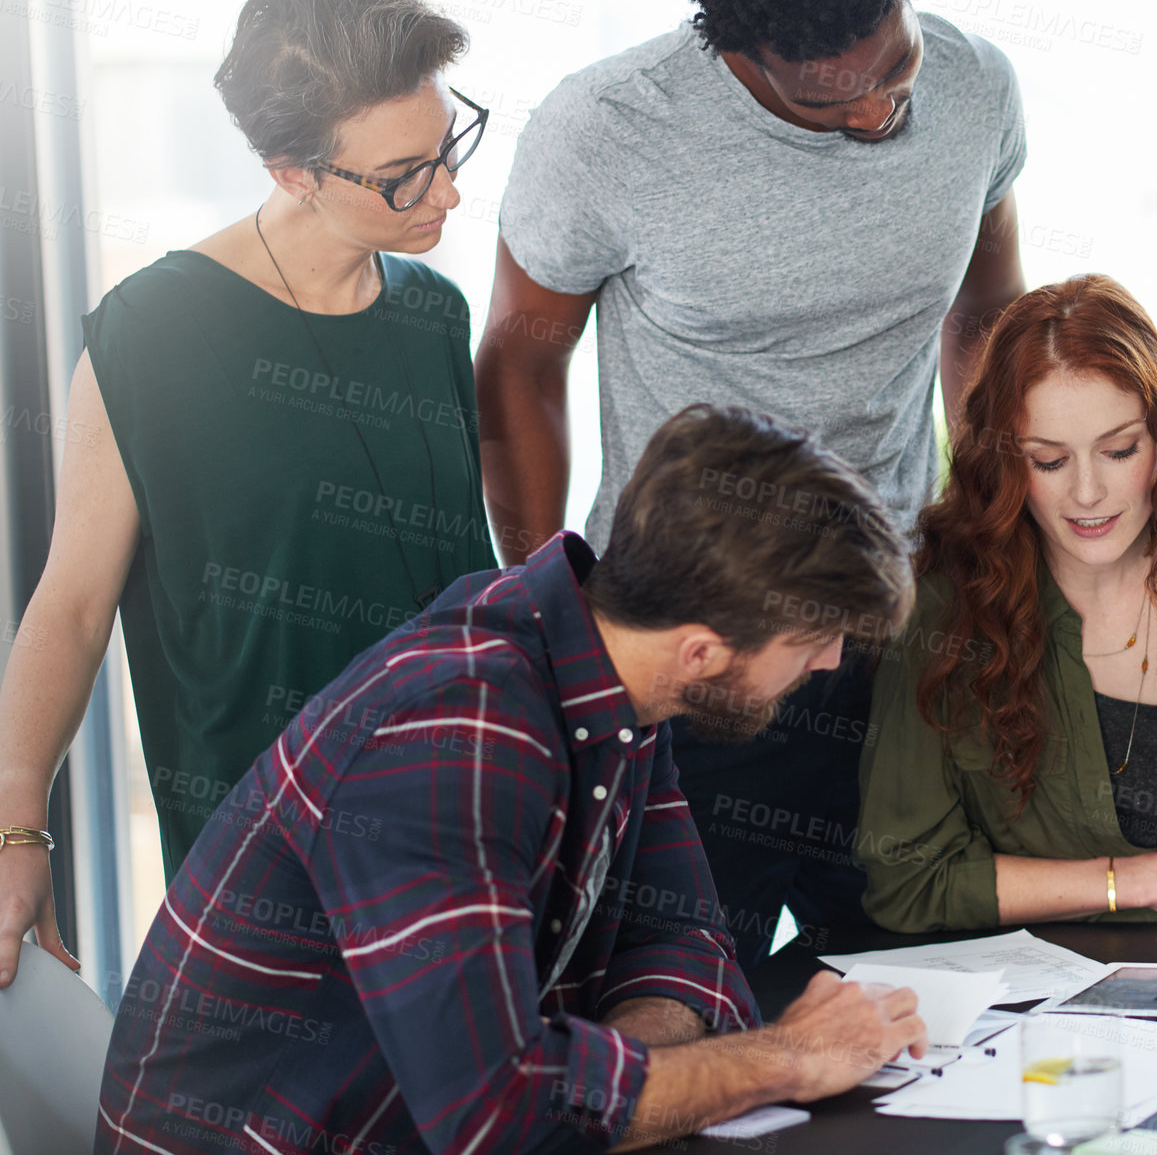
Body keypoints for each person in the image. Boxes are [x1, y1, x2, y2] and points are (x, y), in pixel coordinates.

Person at [475, 0, 1028, 966]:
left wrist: (988, 530)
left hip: (896, 627)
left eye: (894, 75)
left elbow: (985, 315)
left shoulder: (977, 90)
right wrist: (552, 614)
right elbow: (520, 366)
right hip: (701, 646)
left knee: (913, 983)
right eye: (829, 106)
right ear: (737, 55)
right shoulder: (605, 129)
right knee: (682, 995)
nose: (877, 117)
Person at [96, 406, 925, 1155]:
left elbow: (686, 942)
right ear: (702, 650)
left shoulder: (618, 675)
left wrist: (614, 1084)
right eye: (812, 639)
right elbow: (495, 1118)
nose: (828, 663)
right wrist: (783, 1058)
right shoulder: (452, 734)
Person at [0, 0, 499, 990]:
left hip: (459, 840)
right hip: (262, 868)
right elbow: (73, 604)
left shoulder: (435, 311)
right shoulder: (156, 331)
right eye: (406, 174)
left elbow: (466, 584)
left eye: (448, 146)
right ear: (292, 171)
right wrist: (18, 833)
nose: (448, 191)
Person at [858, 275, 1157, 961]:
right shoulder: (945, 597)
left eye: (1118, 451)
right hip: (1047, 1020)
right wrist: (1141, 881)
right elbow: (908, 879)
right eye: (1049, 461)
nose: (1087, 493)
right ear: (1006, 460)